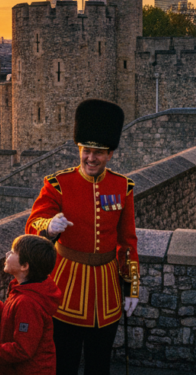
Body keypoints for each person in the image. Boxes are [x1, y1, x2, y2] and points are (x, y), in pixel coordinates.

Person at [25, 99, 140, 375]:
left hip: (108, 291)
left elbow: (128, 241)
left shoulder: (123, 186)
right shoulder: (58, 185)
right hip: (67, 290)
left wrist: (132, 286)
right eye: (86, 150)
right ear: (79, 149)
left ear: (110, 154)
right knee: (64, 363)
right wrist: (49, 227)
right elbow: (32, 226)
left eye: (98, 152)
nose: (91, 158)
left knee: (99, 365)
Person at [0, 235, 61, 375]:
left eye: (12, 252)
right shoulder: (25, 289)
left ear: (24, 266)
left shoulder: (28, 302)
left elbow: (22, 349)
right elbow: (18, 322)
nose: (7, 254)